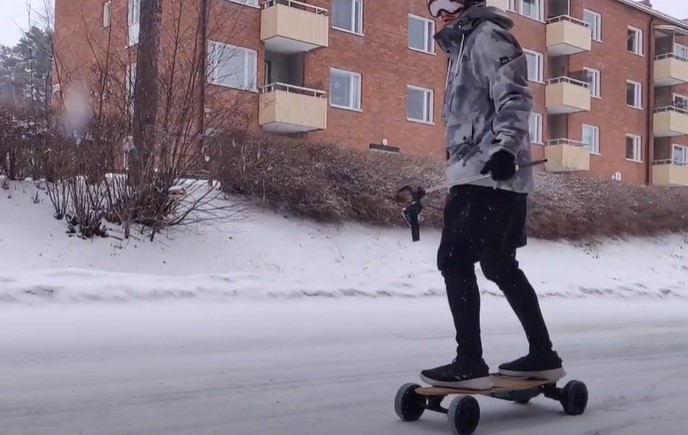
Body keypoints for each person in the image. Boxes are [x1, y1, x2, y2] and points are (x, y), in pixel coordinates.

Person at [419, 0, 566, 390]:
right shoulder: (462, 47)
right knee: (498, 265)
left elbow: (515, 96)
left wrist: (504, 150)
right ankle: (542, 353)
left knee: (455, 259)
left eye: (449, 3)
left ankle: (469, 360)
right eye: (434, 7)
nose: (441, 13)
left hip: (493, 176)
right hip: (476, 175)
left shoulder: (487, 37)